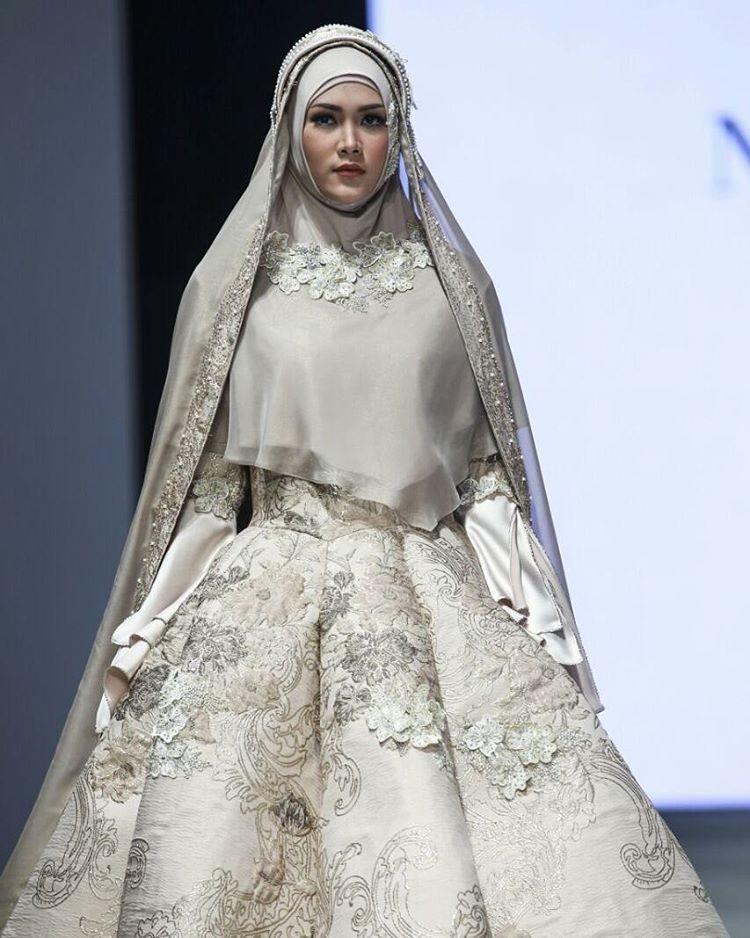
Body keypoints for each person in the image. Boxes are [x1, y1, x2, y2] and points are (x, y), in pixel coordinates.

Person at [0, 24, 728, 937]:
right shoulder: (235, 293)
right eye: (327, 119)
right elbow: (207, 487)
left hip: (428, 599)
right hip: (264, 601)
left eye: (372, 120)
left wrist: (535, 621)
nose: (350, 142)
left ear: (399, 131)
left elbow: (486, 477)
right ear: (289, 131)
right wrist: (154, 626)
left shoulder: (451, 291)